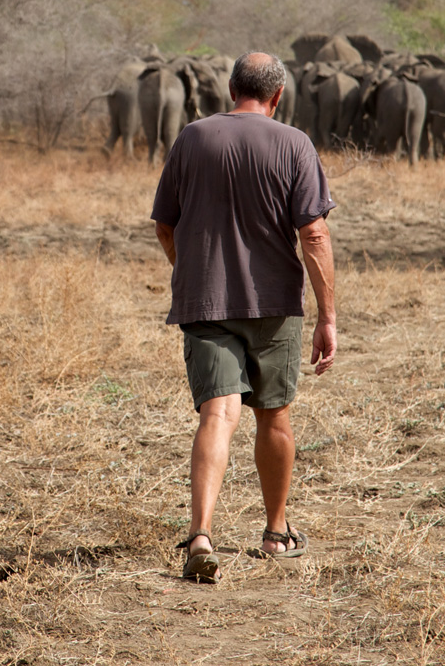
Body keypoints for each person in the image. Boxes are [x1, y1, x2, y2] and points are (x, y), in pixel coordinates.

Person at [150, 51, 336, 582]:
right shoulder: (295, 144)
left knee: (218, 414)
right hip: (274, 305)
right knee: (273, 415)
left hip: (204, 303)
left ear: (231, 88)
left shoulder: (192, 137)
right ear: (278, 96)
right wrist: (328, 315)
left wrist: (192, 271)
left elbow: (165, 225)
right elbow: (315, 234)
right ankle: (276, 533)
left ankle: (201, 535)